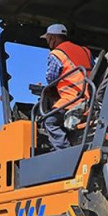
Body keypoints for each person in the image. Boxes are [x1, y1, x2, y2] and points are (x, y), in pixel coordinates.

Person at [41, 23, 93, 151]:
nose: (48, 43)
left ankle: (64, 151)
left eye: (48, 39)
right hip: (89, 97)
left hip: (71, 98)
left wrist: (49, 91)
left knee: (49, 121)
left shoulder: (56, 54)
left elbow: (51, 78)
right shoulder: (85, 51)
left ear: (52, 38)